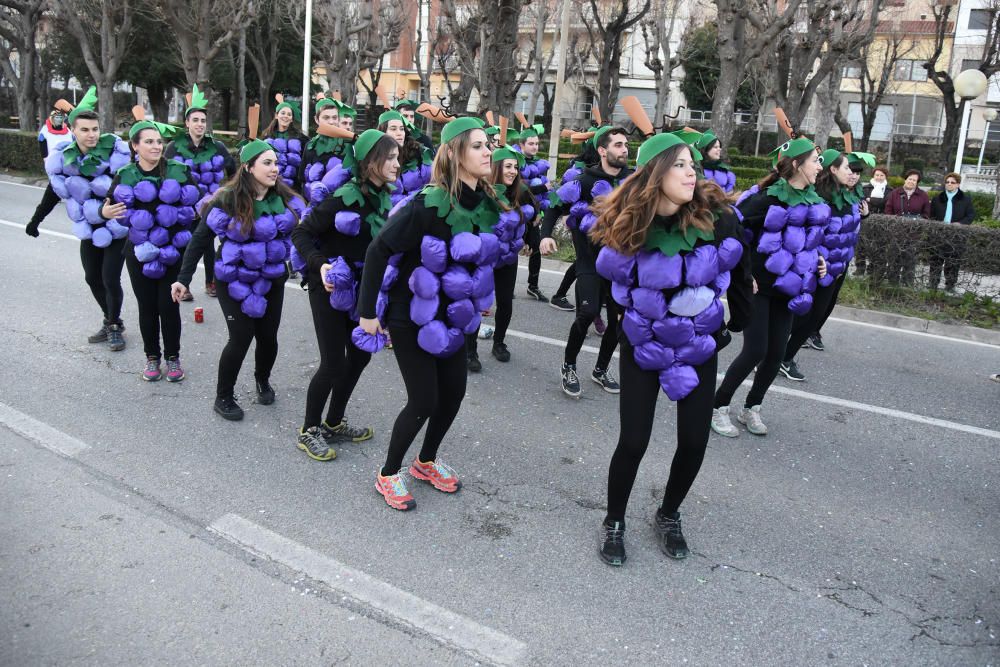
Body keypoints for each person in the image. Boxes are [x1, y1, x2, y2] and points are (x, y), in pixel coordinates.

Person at [590, 133, 752, 565]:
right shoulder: (628, 220)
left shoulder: (717, 217)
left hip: (698, 346)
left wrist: (738, 319)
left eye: (691, 164)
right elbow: (611, 277)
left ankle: (668, 513)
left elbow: (740, 266)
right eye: (679, 164)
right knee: (634, 440)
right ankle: (615, 520)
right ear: (655, 173)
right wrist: (622, 322)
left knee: (695, 440)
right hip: (644, 345)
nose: (690, 170)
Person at [356, 117, 508, 511]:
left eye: (487, 144)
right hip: (412, 316)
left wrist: (479, 293)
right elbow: (378, 250)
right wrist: (367, 311)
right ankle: (388, 473)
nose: (488, 150)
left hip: (454, 319)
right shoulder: (427, 203)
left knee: (453, 394)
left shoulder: (486, 203)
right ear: (455, 154)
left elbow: (476, 257)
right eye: (477, 145)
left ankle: (425, 462)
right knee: (423, 400)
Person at [170, 140, 304, 420]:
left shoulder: (286, 199)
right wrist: (183, 278)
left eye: (276, 163)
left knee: (268, 337)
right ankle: (223, 396)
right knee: (241, 337)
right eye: (267, 163)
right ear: (247, 167)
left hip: (271, 279)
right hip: (233, 280)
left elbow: (303, 235)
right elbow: (199, 240)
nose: (274, 169)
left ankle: (262, 379)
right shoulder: (225, 198)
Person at [290, 130, 398, 458]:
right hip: (331, 286)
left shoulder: (384, 196)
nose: (396, 163)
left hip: (362, 288)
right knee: (334, 362)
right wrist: (320, 265)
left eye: (397, 156)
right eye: (390, 157)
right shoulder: (343, 197)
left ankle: (334, 423)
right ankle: (309, 429)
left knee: (361, 355)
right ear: (370, 162)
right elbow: (302, 232)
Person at [711, 137, 828, 437]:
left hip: (789, 289)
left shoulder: (814, 201)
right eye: (815, 160)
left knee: (776, 355)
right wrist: (744, 272)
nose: (820, 166)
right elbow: (733, 228)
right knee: (755, 351)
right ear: (797, 165)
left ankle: (752, 407)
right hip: (758, 287)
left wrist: (819, 260)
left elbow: (806, 242)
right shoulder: (765, 199)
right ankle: (718, 406)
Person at [28, 87, 131, 350]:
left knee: (110, 278)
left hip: (116, 228)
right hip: (90, 227)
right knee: (92, 278)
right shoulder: (66, 159)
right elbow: (54, 191)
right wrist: (36, 220)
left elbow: (132, 187)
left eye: (95, 128)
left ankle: (114, 326)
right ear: (73, 130)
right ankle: (111, 320)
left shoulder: (114, 155)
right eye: (85, 129)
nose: (92, 134)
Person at [540, 127, 633, 398]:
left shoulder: (635, 181)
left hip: (621, 266)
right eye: (618, 145)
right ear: (603, 151)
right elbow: (554, 207)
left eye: (626, 144)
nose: (624, 149)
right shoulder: (584, 180)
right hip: (590, 262)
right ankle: (569, 366)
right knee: (587, 312)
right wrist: (545, 236)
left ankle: (600, 369)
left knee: (618, 322)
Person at [103, 120, 199, 382]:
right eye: (149, 142)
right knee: (147, 307)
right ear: (135, 146)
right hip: (139, 252)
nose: (156, 146)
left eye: (159, 141)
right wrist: (105, 211)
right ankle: (152, 358)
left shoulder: (178, 170)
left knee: (169, 306)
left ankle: (173, 357)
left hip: (172, 251)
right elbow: (108, 206)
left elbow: (196, 205)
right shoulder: (124, 173)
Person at [778, 149, 870, 382]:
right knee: (801, 316)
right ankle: (776, 357)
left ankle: (781, 358)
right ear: (833, 169)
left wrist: (864, 215)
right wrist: (817, 257)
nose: (853, 174)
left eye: (854, 170)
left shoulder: (850, 196)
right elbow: (807, 232)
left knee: (814, 318)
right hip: (817, 268)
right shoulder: (818, 198)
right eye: (848, 168)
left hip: (837, 267)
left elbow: (847, 230)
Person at [165, 85, 236, 300]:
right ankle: (183, 285)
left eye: (203, 121)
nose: (199, 124)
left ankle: (210, 282)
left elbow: (233, 172)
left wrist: (225, 193)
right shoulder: (174, 147)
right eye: (195, 120)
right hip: (184, 208)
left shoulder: (218, 147)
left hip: (211, 206)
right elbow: (164, 174)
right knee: (187, 245)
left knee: (209, 244)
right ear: (187, 123)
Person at [466, 146, 534, 370]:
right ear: (496, 168)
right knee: (477, 303)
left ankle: (499, 343)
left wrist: (535, 241)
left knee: (505, 302)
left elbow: (532, 219)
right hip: (483, 259)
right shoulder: (480, 190)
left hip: (507, 259)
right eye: (508, 166)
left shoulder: (521, 191)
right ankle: (470, 350)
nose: (513, 171)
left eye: (515, 167)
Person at [547, 133, 602, 313]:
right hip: (579, 224)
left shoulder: (613, 173)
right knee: (584, 264)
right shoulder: (576, 171)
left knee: (587, 263)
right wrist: (565, 214)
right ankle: (580, 309)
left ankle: (589, 303)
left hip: (600, 228)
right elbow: (559, 198)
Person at [25, 105, 74, 235]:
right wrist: (46, 158)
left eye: (61, 118)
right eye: (56, 117)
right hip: (56, 167)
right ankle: (34, 222)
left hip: (73, 166)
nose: (59, 120)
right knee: (51, 195)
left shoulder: (68, 131)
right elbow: (42, 143)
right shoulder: (45, 130)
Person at [516, 123, 552, 301]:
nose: (535, 147)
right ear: (521, 145)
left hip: (534, 217)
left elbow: (543, 194)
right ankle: (504, 284)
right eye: (531, 143)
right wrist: (541, 188)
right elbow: (518, 190)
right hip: (515, 215)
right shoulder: (515, 162)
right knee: (511, 251)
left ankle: (533, 286)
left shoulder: (538, 165)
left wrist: (540, 214)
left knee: (536, 249)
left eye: (537, 143)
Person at [298, 98, 354, 208]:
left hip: (342, 205)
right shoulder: (310, 146)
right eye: (326, 117)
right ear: (317, 120)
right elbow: (302, 180)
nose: (331, 121)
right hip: (317, 206)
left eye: (334, 117)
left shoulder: (349, 145)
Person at [927, 172, 975, 292]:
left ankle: (950, 285)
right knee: (936, 260)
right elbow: (931, 215)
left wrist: (960, 224)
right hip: (939, 234)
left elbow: (970, 215)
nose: (949, 184)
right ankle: (933, 283)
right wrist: (937, 225)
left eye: (952, 182)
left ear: (958, 184)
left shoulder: (965, 199)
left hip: (956, 235)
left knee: (953, 262)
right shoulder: (938, 198)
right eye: (947, 182)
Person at [881, 169, 929, 286]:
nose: (911, 181)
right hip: (896, 233)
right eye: (910, 179)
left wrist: (917, 223)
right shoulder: (895, 193)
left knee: (910, 260)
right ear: (905, 179)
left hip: (913, 234)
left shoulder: (923, 195)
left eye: (914, 180)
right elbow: (888, 210)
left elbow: (926, 214)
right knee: (894, 259)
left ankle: (907, 283)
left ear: (917, 182)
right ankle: (892, 282)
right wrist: (894, 222)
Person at [377, 109, 433, 207]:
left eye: (402, 129)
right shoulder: (375, 159)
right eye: (393, 129)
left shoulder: (419, 152)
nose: (399, 133)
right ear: (383, 132)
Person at [261, 97, 309, 190]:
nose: (286, 116)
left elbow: (306, 158)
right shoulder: (267, 136)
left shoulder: (300, 138)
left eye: (289, 114)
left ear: (291, 119)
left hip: (294, 185)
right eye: (283, 113)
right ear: (276, 115)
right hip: (271, 183)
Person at [855, 166, 889, 277]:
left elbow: (886, 203)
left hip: (882, 221)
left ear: (885, 176)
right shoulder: (865, 188)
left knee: (877, 246)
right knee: (862, 245)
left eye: (882, 175)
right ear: (873, 176)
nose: (879, 177)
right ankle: (860, 268)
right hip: (865, 219)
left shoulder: (889, 190)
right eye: (877, 175)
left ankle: (872, 268)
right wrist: (876, 201)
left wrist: (871, 200)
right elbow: (862, 201)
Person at [695, 129, 737, 194]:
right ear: (706, 149)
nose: (719, 149)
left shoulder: (724, 168)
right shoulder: (696, 167)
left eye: (719, 147)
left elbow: (730, 191)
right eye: (715, 147)